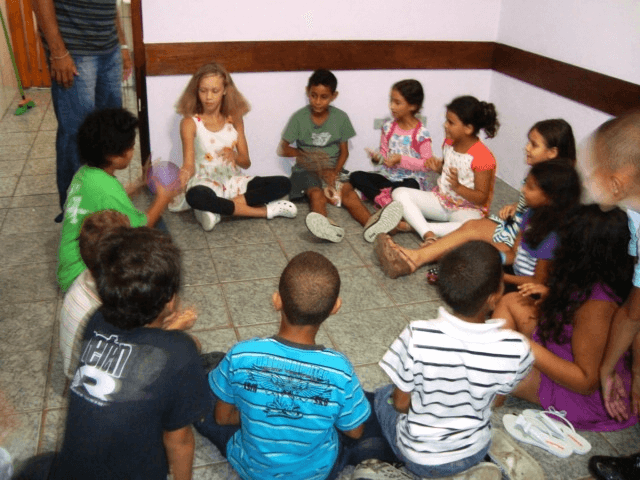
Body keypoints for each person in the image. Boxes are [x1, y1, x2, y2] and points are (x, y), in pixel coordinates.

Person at [16, 227, 211, 480]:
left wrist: (169, 334)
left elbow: (137, 346)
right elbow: (180, 442)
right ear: (170, 300)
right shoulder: (180, 352)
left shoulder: (95, 320)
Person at [195, 252, 394, 480]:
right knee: (369, 415)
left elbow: (222, 418)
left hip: (253, 469)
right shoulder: (340, 370)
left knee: (206, 390)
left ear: (277, 300)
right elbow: (355, 431)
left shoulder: (242, 354)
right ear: (335, 307)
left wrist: (259, 415)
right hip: (316, 472)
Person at [375, 241, 533, 478]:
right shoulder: (517, 349)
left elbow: (399, 404)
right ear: (495, 295)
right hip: (473, 450)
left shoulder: (417, 335)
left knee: (381, 396)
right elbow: (496, 402)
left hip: (417, 456)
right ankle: (483, 464)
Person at [494, 205, 638, 431]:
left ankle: (495, 383)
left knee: (500, 362)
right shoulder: (592, 278)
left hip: (579, 394)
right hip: (566, 344)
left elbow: (586, 382)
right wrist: (553, 296)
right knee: (511, 302)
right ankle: (496, 384)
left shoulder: (597, 307)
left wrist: (523, 345)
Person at [375, 119, 576, 278]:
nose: (527, 148)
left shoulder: (557, 187)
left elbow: (543, 226)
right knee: (470, 228)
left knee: (470, 241)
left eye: (534, 144)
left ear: (552, 153)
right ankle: (414, 256)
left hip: (520, 241)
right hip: (512, 228)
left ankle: (414, 251)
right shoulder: (539, 175)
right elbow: (532, 206)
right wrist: (516, 206)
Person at [59, 210, 198, 379]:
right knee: (191, 348)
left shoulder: (87, 278)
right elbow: (132, 356)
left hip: (85, 362)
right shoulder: (107, 304)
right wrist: (173, 330)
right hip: (98, 375)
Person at [578, 111, 640, 480]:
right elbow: (635, 309)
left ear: (617, 184)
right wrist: (621, 368)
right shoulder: (635, 213)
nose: (585, 179)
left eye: (592, 171)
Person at [32, 0, 133, 223]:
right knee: (77, 135)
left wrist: (123, 46)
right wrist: (58, 52)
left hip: (110, 48)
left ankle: (104, 202)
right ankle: (76, 214)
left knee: (108, 134)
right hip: (74, 51)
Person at [56, 108, 176, 292]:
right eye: (131, 146)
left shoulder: (85, 174)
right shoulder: (107, 189)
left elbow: (103, 203)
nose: (133, 150)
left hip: (68, 268)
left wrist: (139, 183)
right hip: (83, 277)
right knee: (157, 235)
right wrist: (163, 198)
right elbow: (141, 226)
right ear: (113, 156)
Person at [173, 62, 296, 231]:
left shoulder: (235, 119)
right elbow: (188, 164)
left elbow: (246, 162)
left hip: (233, 182)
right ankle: (265, 211)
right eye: (203, 90)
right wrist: (181, 178)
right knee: (195, 195)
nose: (208, 97)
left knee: (284, 183)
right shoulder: (190, 122)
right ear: (196, 90)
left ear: (224, 90)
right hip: (205, 182)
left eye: (215, 91)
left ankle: (216, 210)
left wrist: (235, 155)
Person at [391, 95, 499, 244]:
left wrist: (458, 187)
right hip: (441, 200)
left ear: (468, 128)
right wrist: (439, 169)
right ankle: (427, 232)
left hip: (467, 210)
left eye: (451, 122)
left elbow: (481, 197)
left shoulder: (483, 158)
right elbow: (448, 171)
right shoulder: (449, 142)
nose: (445, 125)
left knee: (471, 227)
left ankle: (413, 226)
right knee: (399, 193)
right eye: (446, 120)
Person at [339, 79, 433, 242]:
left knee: (408, 188)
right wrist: (378, 159)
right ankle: (382, 200)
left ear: (412, 106)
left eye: (397, 102)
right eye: (391, 101)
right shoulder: (388, 128)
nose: (392, 106)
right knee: (356, 176)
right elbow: (383, 154)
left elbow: (426, 165)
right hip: (388, 177)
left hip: (409, 180)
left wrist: (401, 160)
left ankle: (386, 199)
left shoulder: (421, 134)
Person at [278, 69, 356, 243]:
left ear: (334, 96)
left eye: (324, 97)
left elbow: (344, 152)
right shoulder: (299, 118)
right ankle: (324, 225)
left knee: (350, 194)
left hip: (332, 169)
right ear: (307, 92)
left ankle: (374, 225)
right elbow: (283, 149)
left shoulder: (341, 118)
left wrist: (335, 172)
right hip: (306, 170)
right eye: (313, 96)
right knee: (316, 194)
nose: (318, 102)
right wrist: (306, 155)